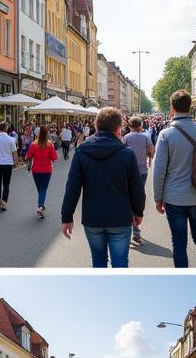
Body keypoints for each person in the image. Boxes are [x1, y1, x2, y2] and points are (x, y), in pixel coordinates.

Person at [60, 106, 145, 267]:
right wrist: (138, 212)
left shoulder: (82, 151)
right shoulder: (126, 153)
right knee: (120, 263)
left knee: (98, 262)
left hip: (93, 219)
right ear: (118, 128)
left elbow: (72, 187)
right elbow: (137, 188)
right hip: (120, 218)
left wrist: (67, 217)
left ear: (96, 125)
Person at [152, 90, 196, 267]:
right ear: (191, 106)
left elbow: (159, 170)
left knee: (179, 243)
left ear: (172, 108)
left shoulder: (166, 134)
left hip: (174, 198)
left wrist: (158, 197)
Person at [123, 116, 154, 246]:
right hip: (142, 172)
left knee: (128, 198)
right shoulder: (145, 137)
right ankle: (136, 229)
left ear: (130, 126)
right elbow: (152, 151)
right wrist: (148, 156)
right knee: (139, 197)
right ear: (140, 126)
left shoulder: (125, 138)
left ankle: (129, 228)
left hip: (127, 172)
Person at [24, 124, 58, 218]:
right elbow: (54, 157)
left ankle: (41, 204)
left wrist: (26, 158)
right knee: (43, 189)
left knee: (40, 189)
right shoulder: (50, 144)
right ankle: (40, 206)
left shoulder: (34, 144)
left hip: (36, 170)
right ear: (47, 134)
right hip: (47, 170)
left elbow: (28, 156)